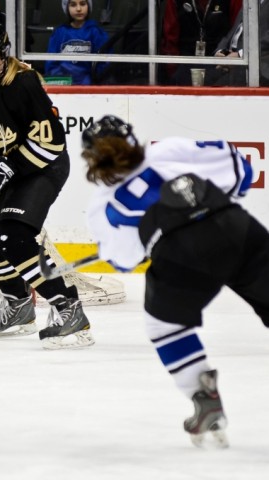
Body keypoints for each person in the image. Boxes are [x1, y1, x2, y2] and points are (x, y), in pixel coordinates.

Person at [82, 115, 262, 448]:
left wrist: (118, 251)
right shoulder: (172, 150)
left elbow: (126, 260)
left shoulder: (103, 206)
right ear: (132, 139)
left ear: (91, 160)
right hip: (235, 227)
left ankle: (203, 397)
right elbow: (243, 174)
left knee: (165, 327)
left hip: (182, 256)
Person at [0, 20, 94, 349]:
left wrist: (8, 165)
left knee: (14, 238)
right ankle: (19, 306)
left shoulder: (24, 83)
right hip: (8, 169)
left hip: (42, 167)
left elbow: (52, 143)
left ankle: (69, 309)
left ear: (3, 54)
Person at [160, 0, 242, 85]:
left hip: (219, 64)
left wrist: (225, 57)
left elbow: (234, 34)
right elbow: (170, 38)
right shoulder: (174, 1)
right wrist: (172, 70)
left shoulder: (234, 1)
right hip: (185, 64)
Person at [45, 0, 110, 85]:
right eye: (73, 5)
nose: (79, 9)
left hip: (89, 85)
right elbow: (51, 62)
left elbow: (104, 62)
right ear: (67, 7)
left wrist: (94, 81)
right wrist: (58, 79)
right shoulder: (59, 33)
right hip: (62, 83)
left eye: (83, 4)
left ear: (88, 6)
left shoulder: (96, 32)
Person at [212, 0, 269, 86]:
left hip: (258, 68)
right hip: (233, 62)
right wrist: (221, 52)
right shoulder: (249, 2)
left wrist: (240, 55)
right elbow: (231, 35)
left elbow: (266, 41)